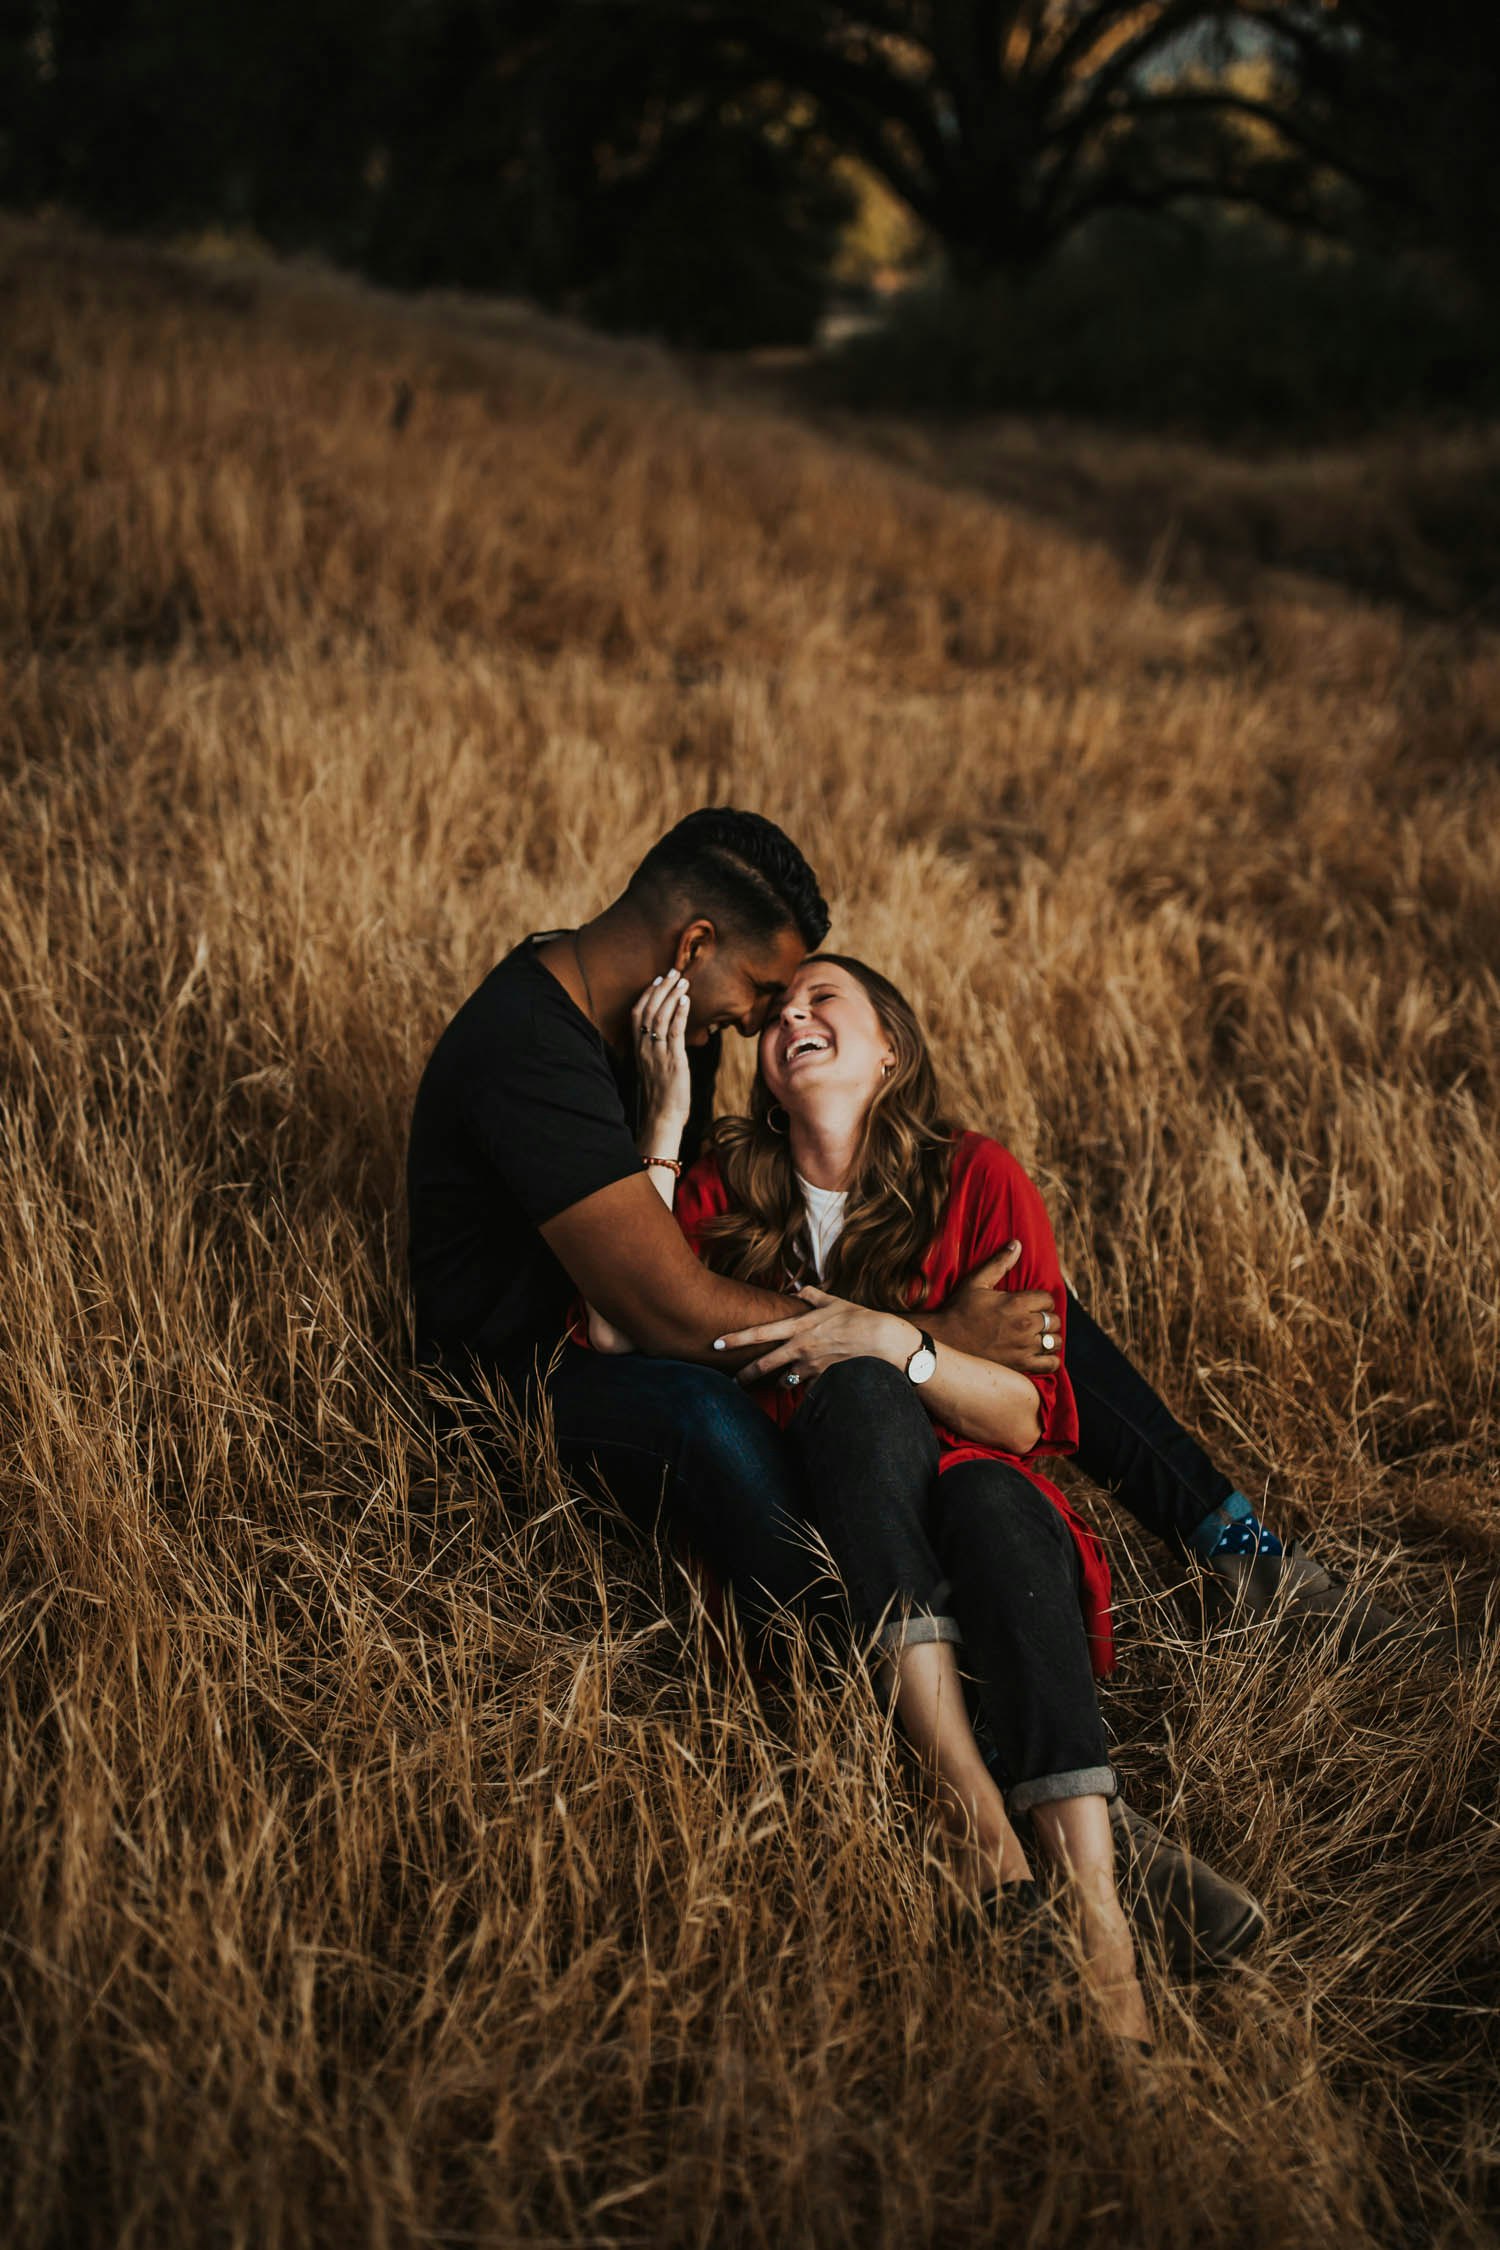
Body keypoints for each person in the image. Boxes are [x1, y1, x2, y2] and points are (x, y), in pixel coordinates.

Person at [404, 807, 1422, 1965]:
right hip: (528, 1379)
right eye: (767, 989)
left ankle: (1239, 1557)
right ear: (692, 945)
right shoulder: (526, 1048)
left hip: (668, 1327)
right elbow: (658, 1313)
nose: (765, 1020)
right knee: (723, 1425)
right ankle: (1040, 1803)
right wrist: (919, 1335)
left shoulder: (670, 1020)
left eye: (804, 997)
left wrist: (927, 1342)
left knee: (1027, 1325)